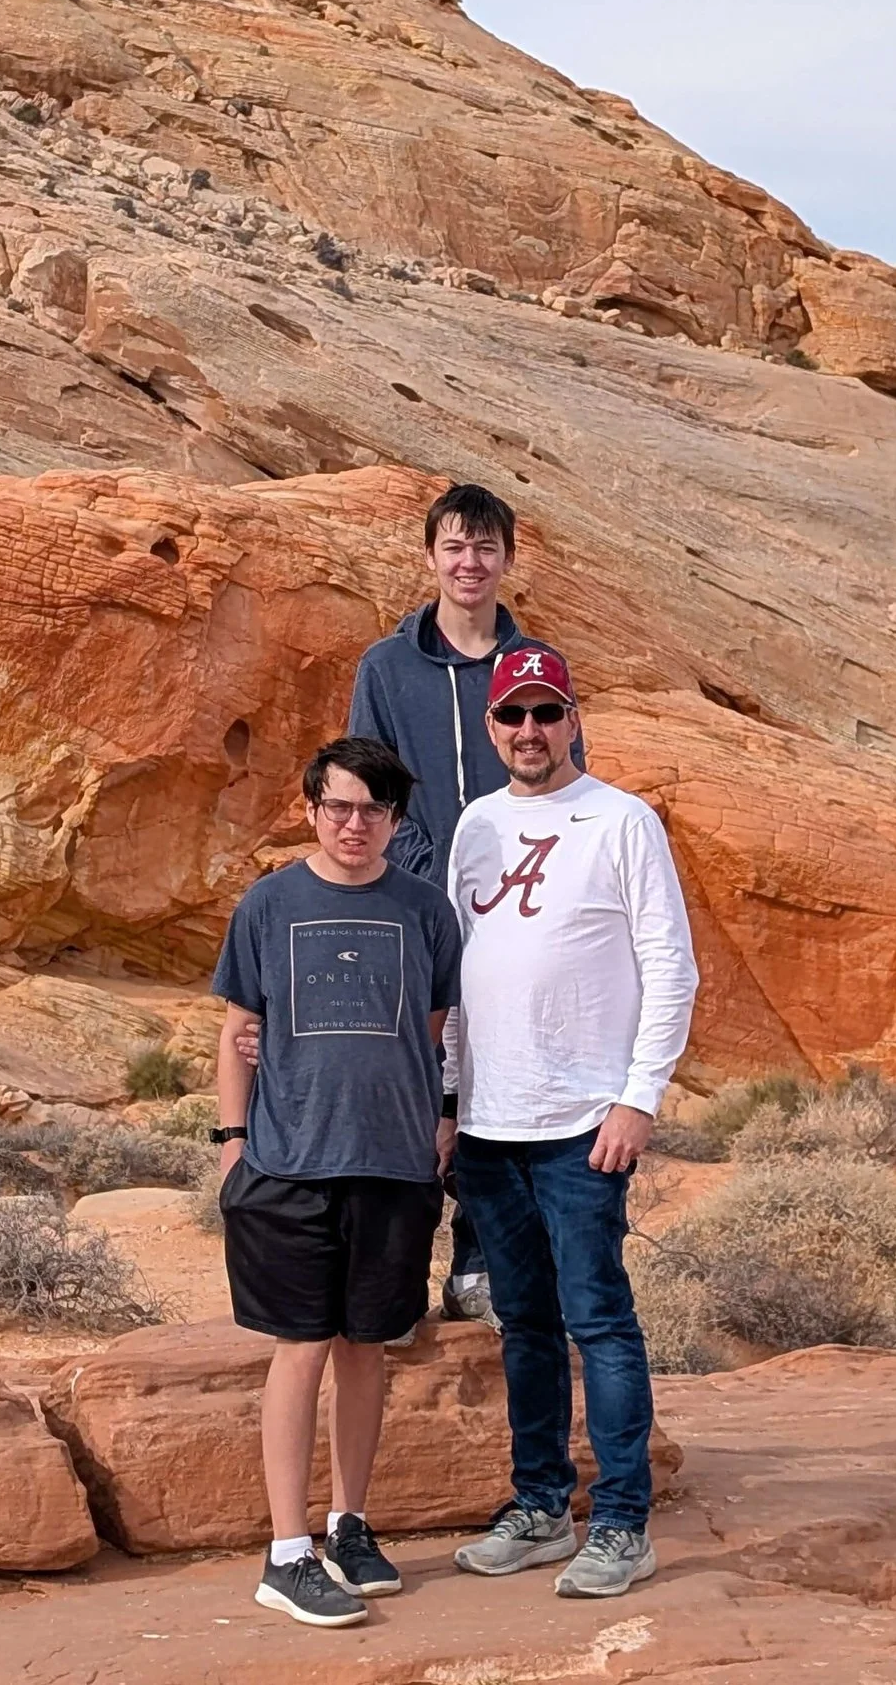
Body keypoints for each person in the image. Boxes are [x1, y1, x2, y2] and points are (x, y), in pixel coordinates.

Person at [442, 645, 698, 1600]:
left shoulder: (623, 822)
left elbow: (670, 965)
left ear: (573, 719)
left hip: (584, 1122)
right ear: (492, 727)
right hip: (490, 1127)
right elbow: (462, 976)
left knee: (600, 1318)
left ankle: (623, 1522)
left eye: (548, 713)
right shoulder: (476, 826)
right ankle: (543, 1506)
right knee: (526, 1325)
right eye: (514, 715)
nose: (531, 731)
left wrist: (639, 1097)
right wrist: (450, 1100)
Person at [210, 735, 464, 1629]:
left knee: (367, 1350)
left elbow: (432, 1032)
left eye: (374, 810)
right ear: (312, 807)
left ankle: (349, 1525)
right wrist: (234, 1144)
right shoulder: (270, 904)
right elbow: (239, 1027)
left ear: (397, 821)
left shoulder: (425, 911)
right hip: (289, 1163)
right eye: (339, 806)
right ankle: (286, 1553)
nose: (355, 824)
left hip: (392, 1166)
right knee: (300, 1348)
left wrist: (439, 1122)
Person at [342, 481, 582, 1328]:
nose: (469, 563)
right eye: (454, 546)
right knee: (413, 1077)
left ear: (508, 559)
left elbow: (563, 780)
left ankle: (478, 1262)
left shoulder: (533, 668)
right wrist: (418, 874)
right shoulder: (388, 665)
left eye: (485, 548)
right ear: (431, 555)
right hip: (415, 905)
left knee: (498, 1080)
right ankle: (398, 1268)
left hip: (517, 911)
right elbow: (367, 782)